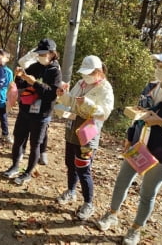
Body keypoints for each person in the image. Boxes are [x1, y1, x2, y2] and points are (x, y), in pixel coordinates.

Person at [96, 47, 162, 245]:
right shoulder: (150, 87)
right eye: (158, 65)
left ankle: (135, 229)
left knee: (147, 194)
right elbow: (138, 113)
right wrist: (129, 137)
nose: (157, 69)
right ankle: (112, 214)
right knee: (122, 181)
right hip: (138, 146)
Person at [55, 55, 114, 220]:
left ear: (98, 72)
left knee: (83, 168)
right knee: (70, 163)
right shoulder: (80, 83)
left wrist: (88, 104)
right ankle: (71, 191)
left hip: (88, 132)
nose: (85, 76)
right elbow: (71, 101)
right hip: (72, 127)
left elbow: (105, 113)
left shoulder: (105, 88)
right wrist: (63, 95)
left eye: (89, 73)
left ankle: (88, 203)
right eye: (84, 73)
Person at [2, 38, 62, 185]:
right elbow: (22, 84)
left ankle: (28, 172)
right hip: (25, 109)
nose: (40, 56)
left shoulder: (56, 72)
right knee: (18, 139)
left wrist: (34, 83)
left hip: (41, 115)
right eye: (39, 53)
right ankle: (15, 165)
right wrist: (19, 77)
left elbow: (51, 94)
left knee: (35, 144)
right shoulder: (35, 66)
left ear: (52, 54)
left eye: (43, 53)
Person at [0, 49, 14, 143]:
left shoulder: (8, 72)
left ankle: (5, 134)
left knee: (3, 116)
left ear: (7, 59)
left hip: (2, 97)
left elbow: (11, 86)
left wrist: (10, 99)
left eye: (2, 56)